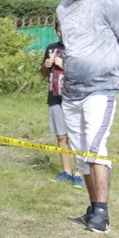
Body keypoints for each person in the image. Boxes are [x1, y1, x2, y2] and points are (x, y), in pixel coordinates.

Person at [57, 0, 119, 234]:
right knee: (82, 155)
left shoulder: (109, 3)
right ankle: (93, 209)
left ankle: (104, 216)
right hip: (71, 92)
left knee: (96, 148)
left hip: (101, 89)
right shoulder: (63, 8)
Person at [41, 21, 83, 189]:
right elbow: (44, 75)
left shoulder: (80, 49)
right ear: (56, 31)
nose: (62, 33)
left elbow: (83, 73)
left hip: (76, 98)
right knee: (61, 136)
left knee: (77, 137)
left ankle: (79, 173)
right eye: (59, 30)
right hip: (55, 97)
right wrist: (45, 66)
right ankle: (66, 171)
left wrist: (64, 65)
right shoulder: (51, 48)